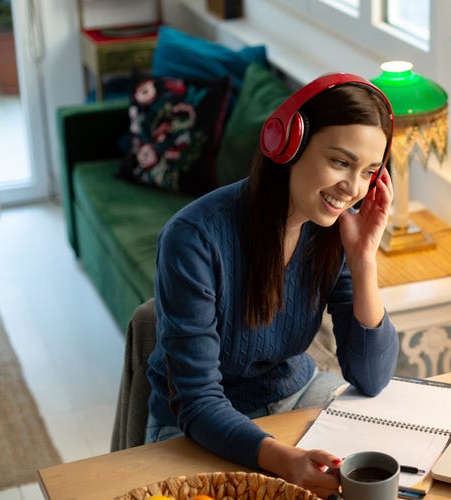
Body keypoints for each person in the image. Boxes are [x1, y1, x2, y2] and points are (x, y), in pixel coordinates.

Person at [144, 73, 399, 498]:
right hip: (199, 424)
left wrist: (363, 260)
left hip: (294, 394)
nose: (353, 189)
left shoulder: (334, 230)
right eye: (340, 162)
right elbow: (197, 401)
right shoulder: (193, 237)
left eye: (369, 172)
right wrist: (286, 461)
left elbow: (371, 377)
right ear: (288, 145)